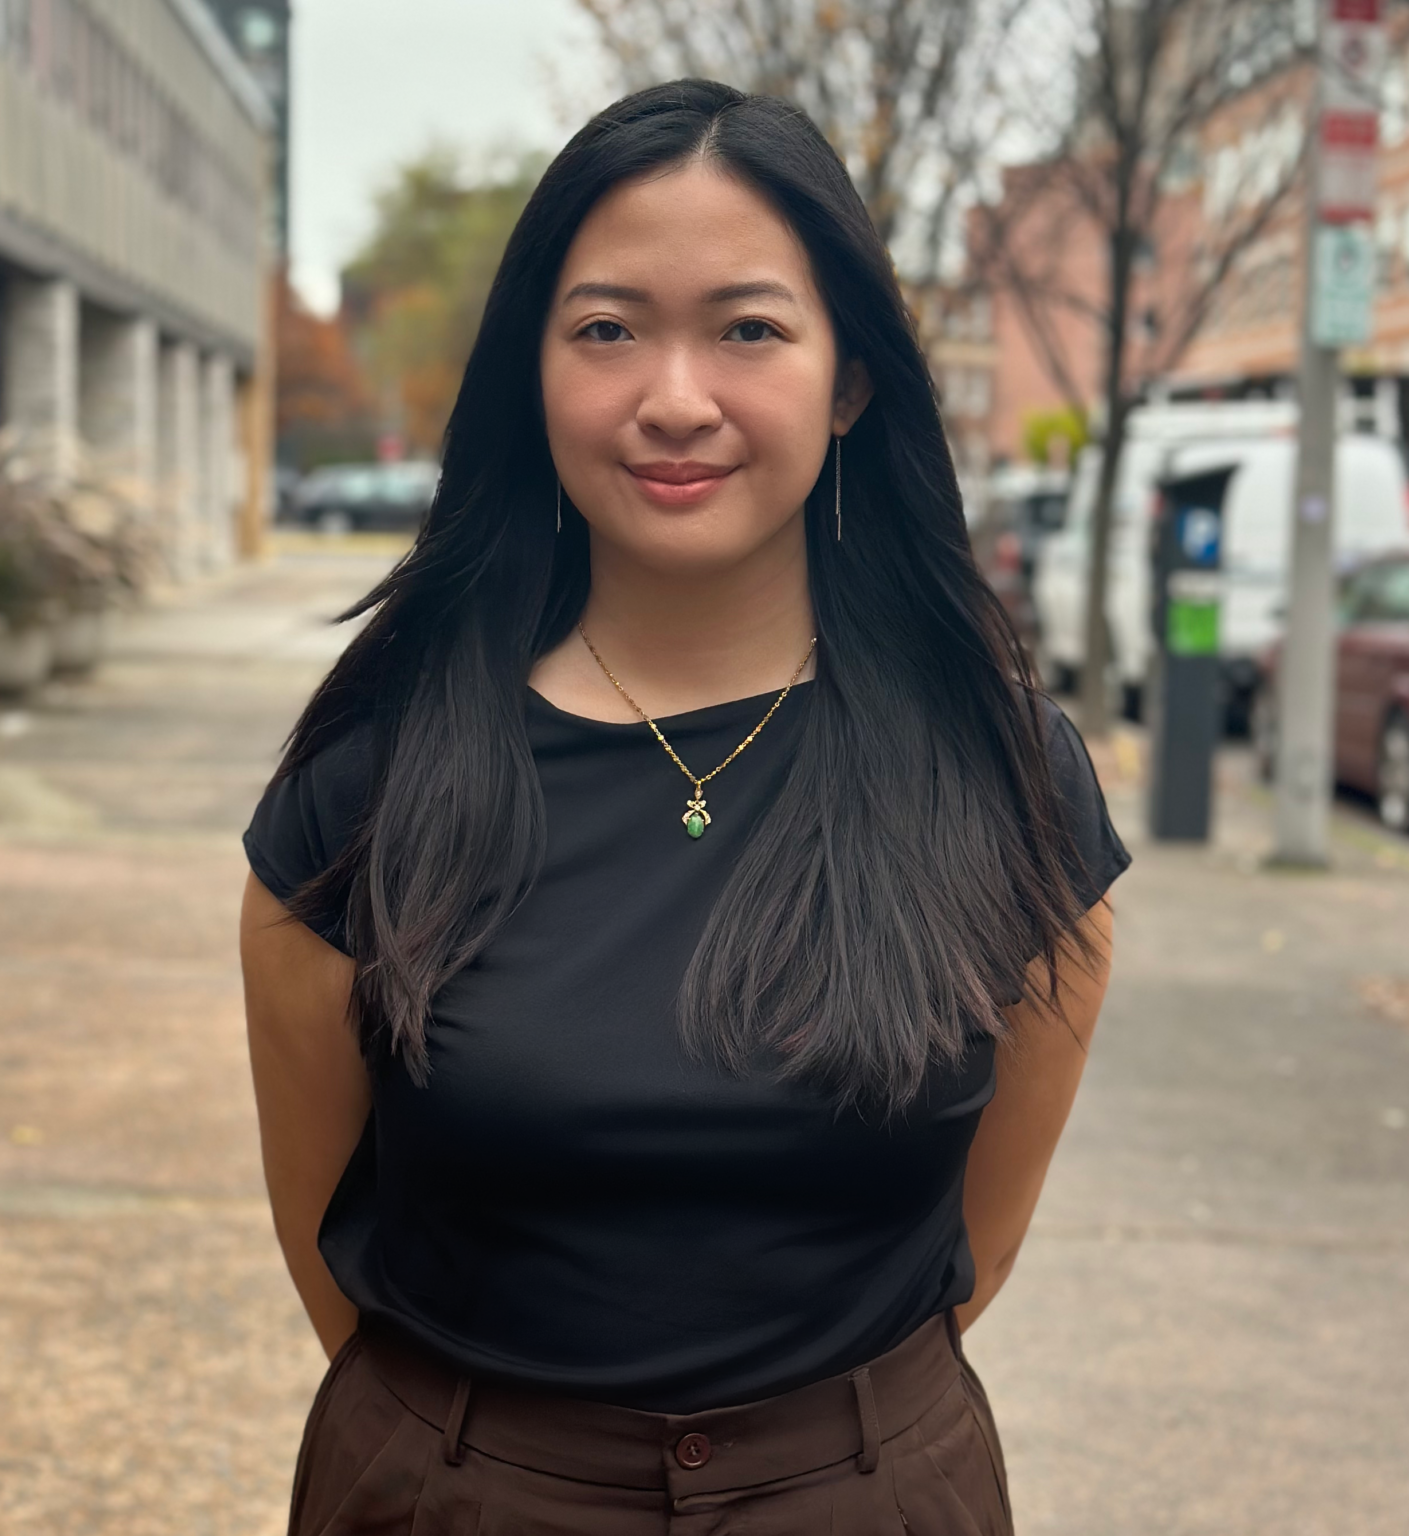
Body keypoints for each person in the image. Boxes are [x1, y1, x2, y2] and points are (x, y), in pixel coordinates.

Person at [241, 78, 1129, 1536]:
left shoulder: (1004, 778)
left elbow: (972, 1238)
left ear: (849, 382)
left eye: (749, 328)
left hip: (866, 1495)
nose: (673, 397)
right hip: (449, 1495)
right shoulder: (372, 775)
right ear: (533, 369)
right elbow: (326, 1235)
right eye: (606, 328)